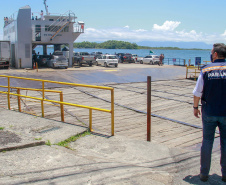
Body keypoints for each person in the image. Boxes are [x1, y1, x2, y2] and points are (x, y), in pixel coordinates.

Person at [193, 43, 226, 182]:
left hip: (209, 111)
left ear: (216, 54)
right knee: (225, 142)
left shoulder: (206, 69)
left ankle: (204, 173)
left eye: (212, 52)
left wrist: (195, 107)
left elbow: (197, 92)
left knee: (207, 141)